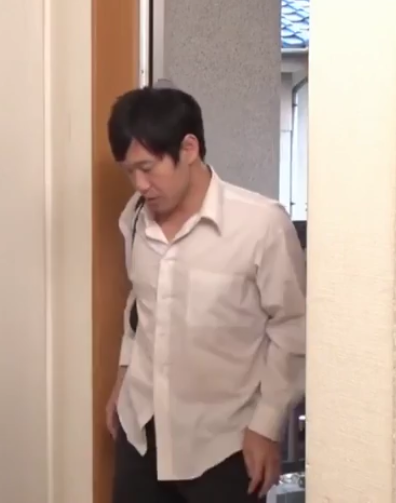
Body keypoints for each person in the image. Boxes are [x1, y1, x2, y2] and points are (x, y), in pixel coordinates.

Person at [104, 86, 306, 503]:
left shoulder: (261, 225)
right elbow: (140, 304)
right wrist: (122, 380)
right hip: (140, 432)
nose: (140, 184)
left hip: (223, 445)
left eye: (148, 168)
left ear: (189, 148)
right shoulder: (135, 217)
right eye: (128, 171)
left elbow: (293, 329)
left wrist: (267, 426)